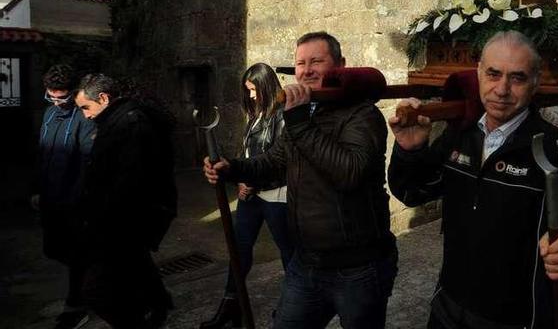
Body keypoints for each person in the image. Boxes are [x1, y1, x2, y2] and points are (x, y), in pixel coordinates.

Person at [388, 31, 558, 328]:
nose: (501, 89)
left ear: (534, 83)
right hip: (447, 310)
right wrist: (409, 150)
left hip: (517, 319)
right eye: (493, 74)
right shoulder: (459, 137)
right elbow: (411, 192)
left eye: (516, 78)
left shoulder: (557, 151)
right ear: (479, 72)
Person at [203, 32, 397, 329]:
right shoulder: (303, 114)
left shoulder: (362, 114)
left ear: (340, 65)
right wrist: (232, 168)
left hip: (358, 269)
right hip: (306, 264)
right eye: (300, 63)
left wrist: (299, 122)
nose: (306, 70)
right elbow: (274, 163)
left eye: (316, 61)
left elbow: (350, 172)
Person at [74, 74, 177, 328]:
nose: (85, 116)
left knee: (96, 289)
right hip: (124, 219)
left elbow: (132, 182)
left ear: (103, 98)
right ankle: (158, 305)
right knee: (136, 266)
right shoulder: (118, 121)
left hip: (125, 219)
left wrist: (104, 219)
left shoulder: (131, 124)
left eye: (86, 107)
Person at [201, 63, 294, 328]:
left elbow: (279, 160)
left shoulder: (282, 115)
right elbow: (249, 155)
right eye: (248, 91)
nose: (251, 96)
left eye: (254, 90)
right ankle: (232, 305)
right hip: (250, 195)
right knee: (239, 250)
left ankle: (293, 308)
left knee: (290, 253)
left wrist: (251, 179)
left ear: (266, 86)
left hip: (276, 195)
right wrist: (241, 178)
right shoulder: (256, 114)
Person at [30, 64, 95, 329]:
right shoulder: (47, 114)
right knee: (53, 249)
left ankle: (76, 305)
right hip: (49, 199)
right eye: (51, 97)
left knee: (76, 255)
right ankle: (93, 279)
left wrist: (77, 200)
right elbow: (42, 154)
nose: (56, 102)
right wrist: (36, 189)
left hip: (73, 202)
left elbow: (88, 161)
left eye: (62, 97)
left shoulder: (82, 118)